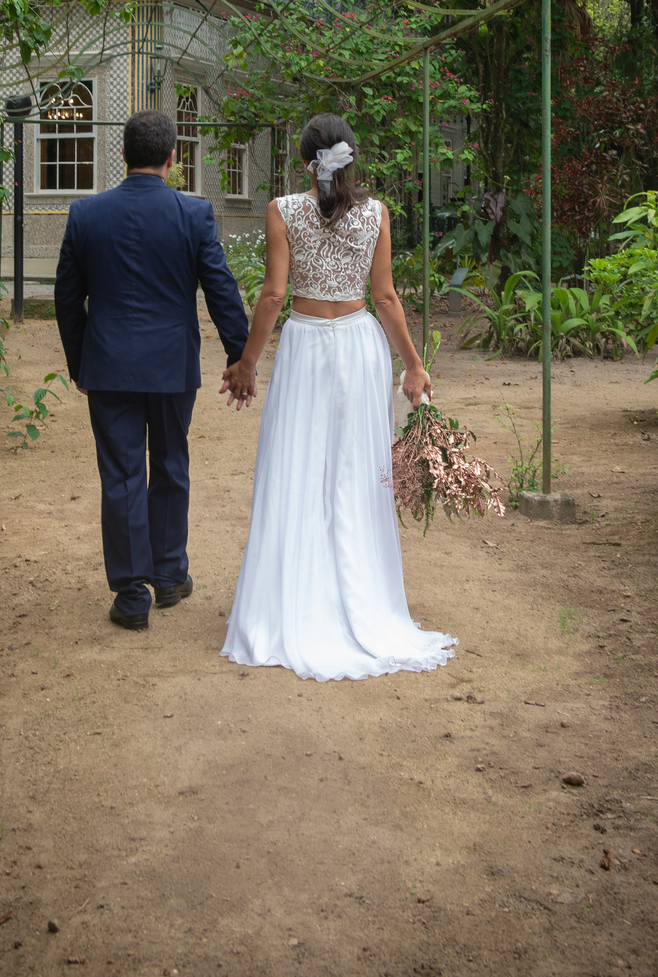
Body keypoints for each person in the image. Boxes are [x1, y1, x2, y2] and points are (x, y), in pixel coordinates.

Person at [218, 112, 455, 682]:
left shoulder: (282, 210)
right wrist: (413, 365)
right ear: (351, 157)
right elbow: (386, 298)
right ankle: (361, 599)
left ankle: (291, 603)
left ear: (307, 163)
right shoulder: (376, 213)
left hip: (304, 347)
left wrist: (247, 363)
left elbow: (273, 295)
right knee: (355, 471)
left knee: (295, 466)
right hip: (358, 346)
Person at [55, 109, 249, 632]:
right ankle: (168, 575)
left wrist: (80, 363)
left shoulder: (85, 214)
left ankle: (131, 595)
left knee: (122, 473)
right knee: (170, 463)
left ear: (122, 154)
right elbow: (221, 289)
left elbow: (67, 300)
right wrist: (239, 356)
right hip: (171, 364)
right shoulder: (195, 214)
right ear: (172, 158)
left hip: (108, 364)